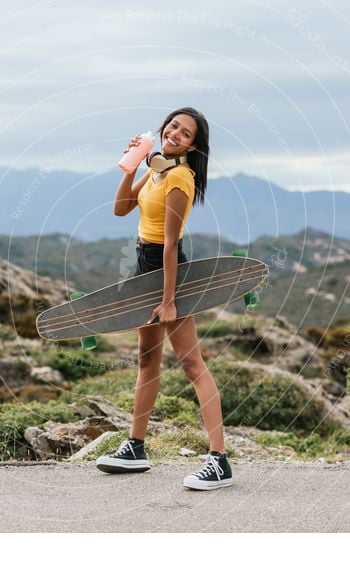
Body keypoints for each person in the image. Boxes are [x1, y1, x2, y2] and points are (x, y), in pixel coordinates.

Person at [95, 107, 232, 490]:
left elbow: (171, 244)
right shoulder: (157, 170)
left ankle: (219, 460)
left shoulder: (180, 178)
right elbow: (122, 210)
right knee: (147, 359)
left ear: (193, 145)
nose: (175, 134)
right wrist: (133, 165)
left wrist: (170, 300)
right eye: (173, 126)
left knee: (191, 364)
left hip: (168, 274)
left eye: (185, 133)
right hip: (145, 270)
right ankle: (135, 447)